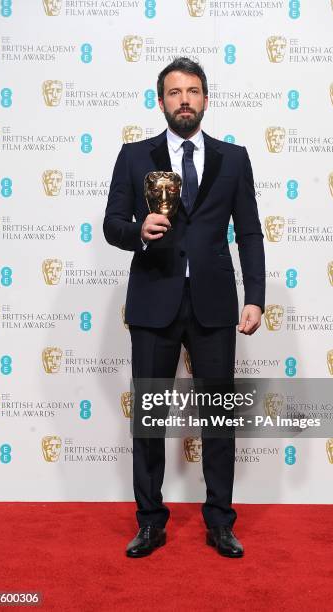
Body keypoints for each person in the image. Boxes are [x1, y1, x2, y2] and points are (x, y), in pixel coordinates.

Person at [103, 57, 265, 558]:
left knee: (219, 419)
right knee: (150, 419)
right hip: (154, 301)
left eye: (193, 91)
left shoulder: (233, 158)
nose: (185, 100)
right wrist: (140, 233)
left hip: (215, 305)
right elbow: (112, 224)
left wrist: (256, 296)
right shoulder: (135, 156)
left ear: (206, 99)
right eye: (175, 92)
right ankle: (150, 521)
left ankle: (220, 521)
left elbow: (251, 230)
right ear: (161, 101)